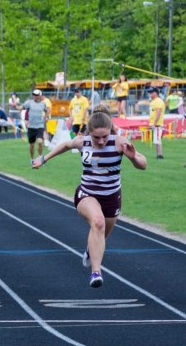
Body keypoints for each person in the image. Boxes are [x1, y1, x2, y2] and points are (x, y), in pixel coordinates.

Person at [32, 105, 146, 287]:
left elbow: (143, 164)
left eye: (104, 136)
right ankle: (96, 272)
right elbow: (65, 145)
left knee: (101, 235)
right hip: (87, 193)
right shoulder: (82, 141)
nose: (100, 141)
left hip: (112, 197)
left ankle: (89, 251)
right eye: (96, 137)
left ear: (110, 130)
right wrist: (43, 159)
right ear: (89, 132)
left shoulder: (119, 142)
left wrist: (133, 158)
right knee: (98, 223)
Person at [24, 89, 48, 160]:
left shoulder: (43, 104)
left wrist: (46, 117)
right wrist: (16, 106)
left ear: (40, 96)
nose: (35, 96)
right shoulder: (29, 103)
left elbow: (46, 111)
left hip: (40, 126)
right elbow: (22, 107)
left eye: (36, 95)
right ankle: (32, 159)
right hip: (31, 126)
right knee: (32, 145)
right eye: (34, 95)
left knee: (40, 142)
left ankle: (40, 157)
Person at [147, 88, 165, 160]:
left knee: (157, 139)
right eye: (149, 93)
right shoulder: (153, 101)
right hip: (154, 124)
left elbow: (158, 113)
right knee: (156, 140)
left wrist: (154, 123)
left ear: (156, 93)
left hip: (157, 124)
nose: (150, 94)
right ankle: (158, 154)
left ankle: (160, 154)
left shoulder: (158, 101)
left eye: (151, 92)